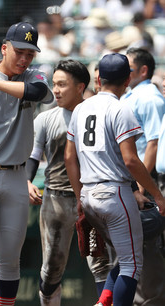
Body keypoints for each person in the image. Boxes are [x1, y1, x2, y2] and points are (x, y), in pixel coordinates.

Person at [64, 53, 165, 306]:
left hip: (89, 194)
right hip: (114, 194)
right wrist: (158, 194)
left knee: (123, 258)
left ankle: (103, 301)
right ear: (128, 79)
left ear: (98, 78)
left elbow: (69, 158)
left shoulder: (81, 108)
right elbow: (131, 160)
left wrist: (79, 198)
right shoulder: (121, 108)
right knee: (132, 265)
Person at [0, 22, 53, 305]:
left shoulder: (34, 76)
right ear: (4, 48)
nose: (25, 58)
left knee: (10, 257)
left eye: (30, 53)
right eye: (20, 51)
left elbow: (38, 93)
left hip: (16, 176)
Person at [26, 59, 91, 305]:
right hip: (56, 199)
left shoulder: (94, 115)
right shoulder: (45, 118)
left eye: (62, 85)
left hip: (91, 197)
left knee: (101, 263)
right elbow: (33, 156)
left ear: (80, 87)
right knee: (52, 268)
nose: (56, 90)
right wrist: (27, 182)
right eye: (54, 84)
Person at [121, 47, 165, 306]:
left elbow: (153, 144)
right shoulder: (135, 95)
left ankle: (151, 301)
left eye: (129, 68)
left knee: (149, 247)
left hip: (147, 181)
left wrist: (140, 185)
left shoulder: (149, 97)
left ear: (143, 70)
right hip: (140, 179)